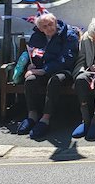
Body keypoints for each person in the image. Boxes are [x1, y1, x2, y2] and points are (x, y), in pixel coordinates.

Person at [17, 12, 79, 140]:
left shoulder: (68, 35)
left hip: (63, 70)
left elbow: (67, 58)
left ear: (55, 22)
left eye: (50, 24)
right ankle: (32, 115)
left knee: (55, 81)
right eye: (44, 26)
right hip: (41, 70)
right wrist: (31, 66)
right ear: (40, 28)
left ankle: (45, 119)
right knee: (30, 80)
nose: (49, 28)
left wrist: (45, 70)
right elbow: (32, 53)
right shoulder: (37, 37)